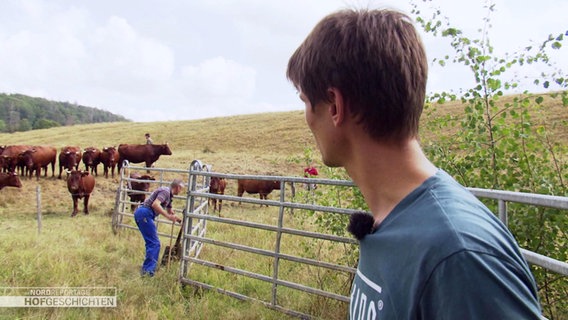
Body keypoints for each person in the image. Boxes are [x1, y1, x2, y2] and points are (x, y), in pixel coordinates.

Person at [287, 8, 542, 319]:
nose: (306, 117)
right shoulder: (393, 223)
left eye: (304, 101)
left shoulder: (458, 257)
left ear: (335, 105)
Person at [134, 178, 184, 277]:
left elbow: (170, 210)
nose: (181, 191)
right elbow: (155, 204)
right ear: (178, 187)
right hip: (145, 213)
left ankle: (147, 269)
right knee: (154, 243)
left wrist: (178, 219)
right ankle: (148, 273)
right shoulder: (165, 192)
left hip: (145, 214)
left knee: (152, 242)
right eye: (181, 189)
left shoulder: (169, 196)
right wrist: (168, 217)